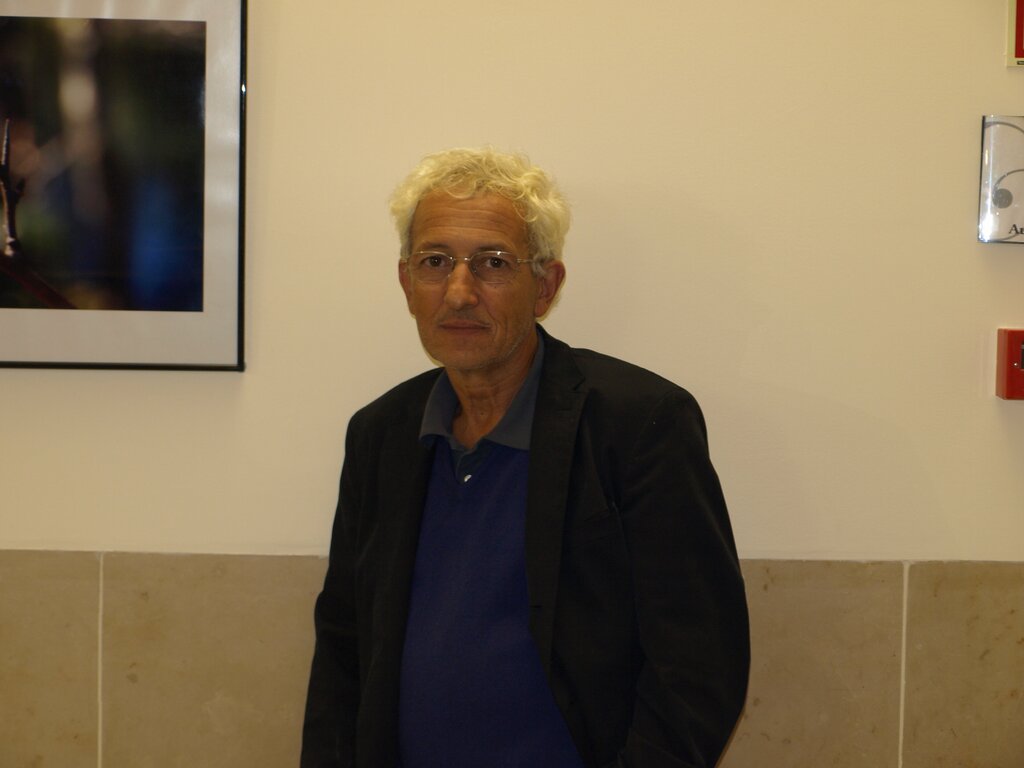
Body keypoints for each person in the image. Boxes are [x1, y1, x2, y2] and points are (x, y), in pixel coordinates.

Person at [301, 148, 749, 768]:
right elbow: (344, 650)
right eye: (435, 262)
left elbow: (698, 664)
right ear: (406, 283)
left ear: (545, 286)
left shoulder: (637, 425)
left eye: (492, 263)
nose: (459, 292)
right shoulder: (381, 434)